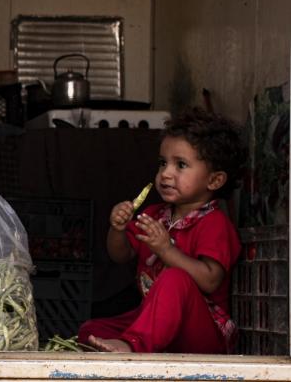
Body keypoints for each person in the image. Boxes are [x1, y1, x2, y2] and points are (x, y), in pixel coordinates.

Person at [78, 109, 244, 353]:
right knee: (90, 331)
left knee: (175, 278)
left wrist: (166, 250)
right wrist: (118, 229)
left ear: (214, 181)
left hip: (201, 334)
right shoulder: (156, 214)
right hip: (157, 325)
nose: (166, 173)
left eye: (181, 165)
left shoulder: (214, 223)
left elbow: (210, 280)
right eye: (163, 163)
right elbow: (120, 255)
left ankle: (132, 346)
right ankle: (135, 343)